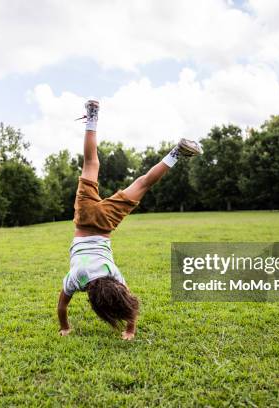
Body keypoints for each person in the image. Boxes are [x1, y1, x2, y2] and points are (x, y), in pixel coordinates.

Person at [57, 100, 201, 340]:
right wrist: (64, 327)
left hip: (104, 225)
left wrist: (130, 329)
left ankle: (176, 152)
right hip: (85, 219)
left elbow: (128, 302)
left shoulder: (114, 274)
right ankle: (92, 116)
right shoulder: (77, 278)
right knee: (91, 163)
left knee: (142, 183)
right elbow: (62, 307)